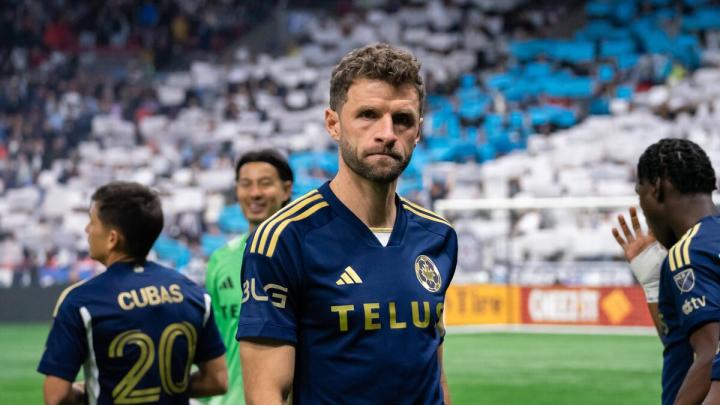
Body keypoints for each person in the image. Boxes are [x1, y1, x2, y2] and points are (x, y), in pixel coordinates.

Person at [237, 43, 458, 404]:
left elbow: (434, 371)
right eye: (368, 115)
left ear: (418, 131)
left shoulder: (439, 235)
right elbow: (266, 394)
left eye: (403, 120)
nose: (387, 133)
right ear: (333, 124)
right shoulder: (283, 239)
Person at [38, 181, 228, 405]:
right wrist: (163, 388)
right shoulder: (194, 294)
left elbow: (56, 396)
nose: (87, 229)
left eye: (92, 222)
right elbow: (217, 380)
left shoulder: (80, 301)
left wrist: (90, 390)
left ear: (112, 238)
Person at [612, 138, 720, 405]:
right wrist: (653, 285)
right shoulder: (708, 240)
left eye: (640, 195)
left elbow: (711, 354)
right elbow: (687, 344)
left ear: (657, 188)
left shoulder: (690, 252)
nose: (643, 210)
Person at [204, 150, 293, 405]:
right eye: (246, 184)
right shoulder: (220, 260)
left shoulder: (305, 256)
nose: (255, 193)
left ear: (286, 190)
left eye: (265, 183)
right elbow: (216, 341)